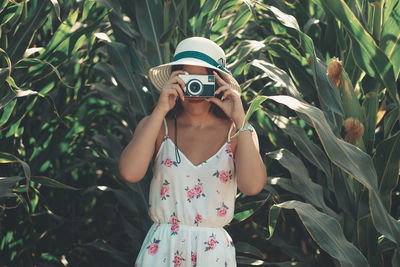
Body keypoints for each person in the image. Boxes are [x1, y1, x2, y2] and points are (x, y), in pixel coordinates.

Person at [119, 37, 267, 267]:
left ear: (218, 83)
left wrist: (240, 118)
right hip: (163, 250)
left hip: (213, 253)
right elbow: (130, 173)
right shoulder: (157, 126)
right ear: (175, 79)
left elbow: (253, 186)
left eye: (204, 79)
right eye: (188, 78)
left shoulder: (239, 132)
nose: (195, 88)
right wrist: (160, 109)